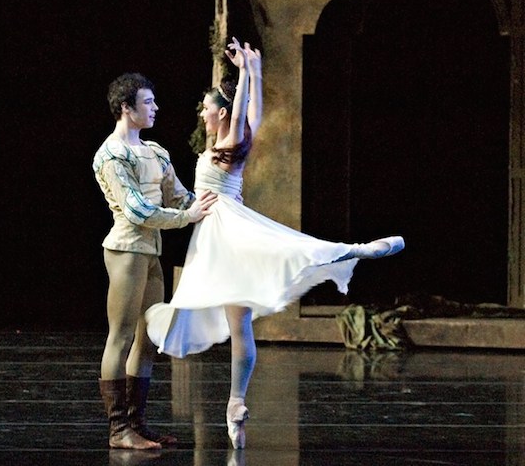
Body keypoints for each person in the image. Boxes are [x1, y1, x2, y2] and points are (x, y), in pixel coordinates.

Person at [145, 39, 405, 449]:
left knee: (290, 257)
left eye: (207, 108)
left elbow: (246, 116)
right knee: (240, 324)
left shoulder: (229, 147)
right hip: (219, 237)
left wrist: (248, 74)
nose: (202, 112)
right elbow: (254, 116)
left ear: (222, 114)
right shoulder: (224, 146)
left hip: (226, 237)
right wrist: (254, 70)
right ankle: (235, 405)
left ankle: (355, 250)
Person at [92, 72, 217, 450]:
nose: (155, 108)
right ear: (126, 108)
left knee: (147, 339)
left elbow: (178, 196)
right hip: (127, 249)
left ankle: (137, 423)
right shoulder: (111, 154)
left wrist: (212, 206)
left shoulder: (155, 152)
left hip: (150, 251)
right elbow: (137, 210)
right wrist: (186, 218)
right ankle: (118, 430)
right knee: (122, 335)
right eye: (147, 102)